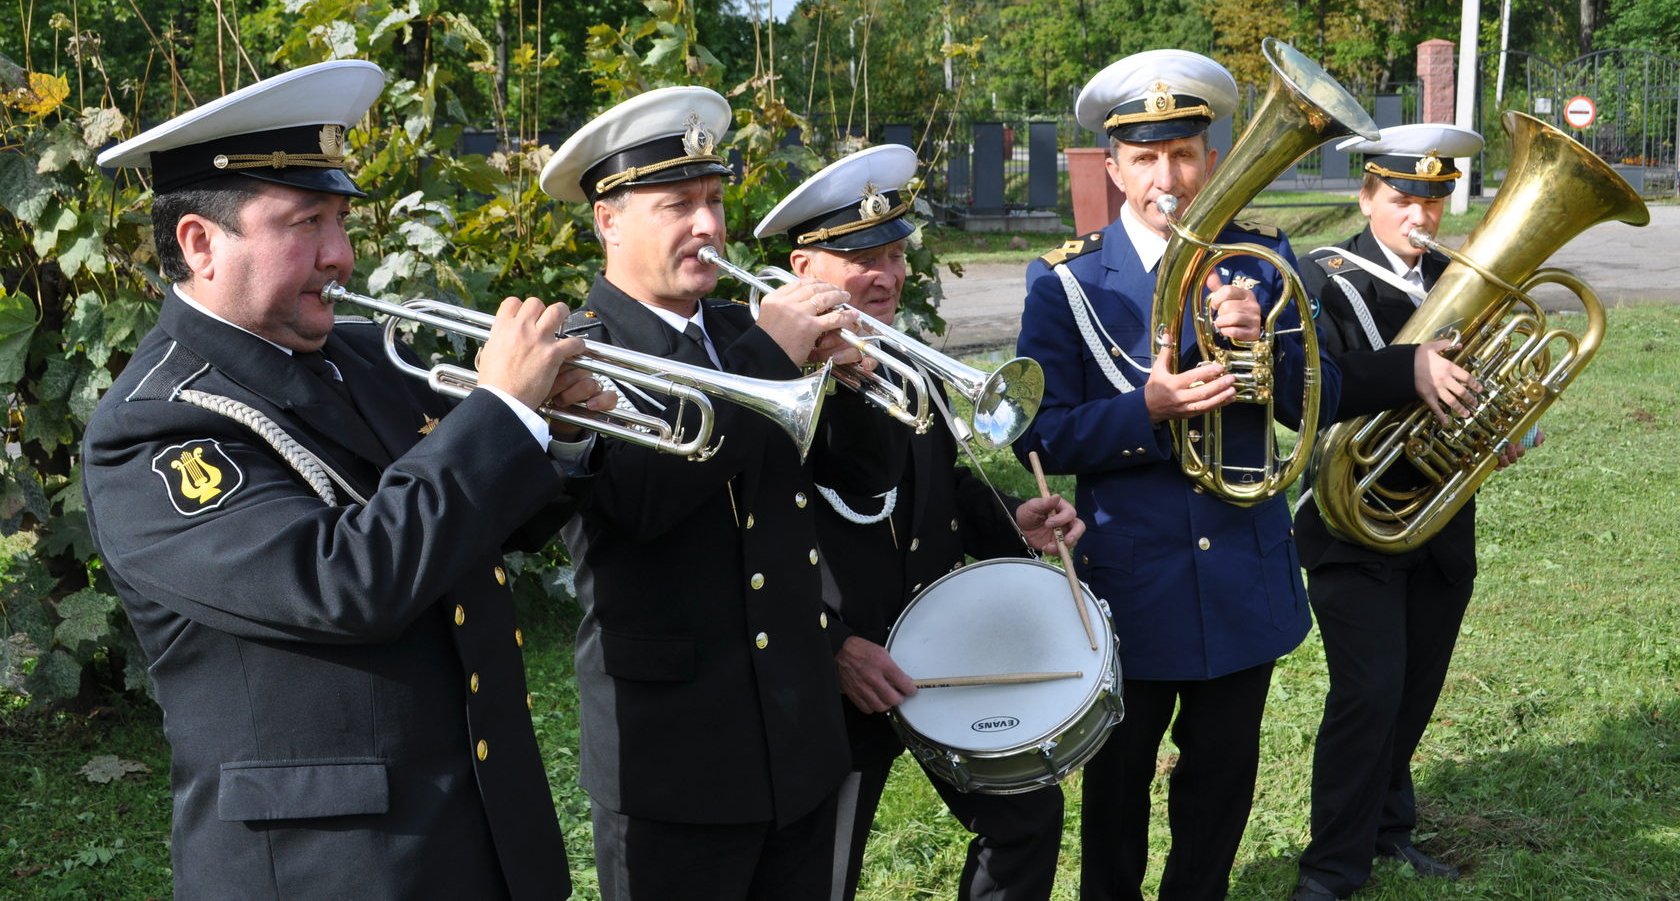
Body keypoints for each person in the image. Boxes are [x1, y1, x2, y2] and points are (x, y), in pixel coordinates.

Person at [82, 60, 610, 899]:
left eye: (340, 218)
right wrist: (504, 413)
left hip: (477, 835)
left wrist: (557, 435)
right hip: (329, 867)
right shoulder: (157, 425)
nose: (342, 253)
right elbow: (344, 579)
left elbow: (476, 525)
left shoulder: (358, 356)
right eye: (305, 222)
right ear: (199, 242)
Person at [537, 87, 910, 901]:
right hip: (675, 761)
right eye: (678, 204)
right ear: (608, 219)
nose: (708, 225)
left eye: (712, 200)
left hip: (797, 740)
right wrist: (774, 359)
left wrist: (849, 382)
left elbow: (862, 479)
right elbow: (640, 500)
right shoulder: (583, 352)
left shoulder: (742, 338)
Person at [1013, 49, 1342, 901]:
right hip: (1134, 576)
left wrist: (1265, 345)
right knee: (1116, 785)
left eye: (1186, 153)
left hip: (1242, 567)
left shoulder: (1262, 259)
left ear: (1211, 157)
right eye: (1148, 157)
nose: (1170, 175)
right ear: (1115, 167)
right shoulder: (1069, 282)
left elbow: (1319, 397)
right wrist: (1148, 410)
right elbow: (1039, 432)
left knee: (1223, 780)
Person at [753, 144, 1085, 901]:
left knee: (1027, 818)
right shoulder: (767, 374)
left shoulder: (905, 355)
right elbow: (746, 543)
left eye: (897, 253)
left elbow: (939, 480)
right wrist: (832, 645)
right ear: (803, 269)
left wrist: (1014, 528)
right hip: (842, 669)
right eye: (864, 256)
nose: (890, 274)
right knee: (824, 872)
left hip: (931, 651)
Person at [1291, 125, 1535, 900]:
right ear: (1368, 196)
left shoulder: (1460, 278)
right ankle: (1331, 867)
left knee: (1415, 686)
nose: (1420, 215)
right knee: (1368, 693)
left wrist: (1502, 424)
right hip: (1349, 521)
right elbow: (1314, 388)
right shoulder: (1324, 280)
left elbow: (1485, 382)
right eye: (1403, 197)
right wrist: (1410, 370)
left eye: (1434, 197)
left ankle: (1390, 829)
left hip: (1436, 518)